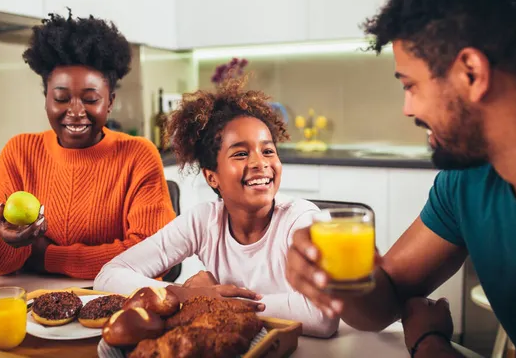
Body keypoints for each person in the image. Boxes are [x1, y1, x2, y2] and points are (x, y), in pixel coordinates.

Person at [285, 0, 516, 356]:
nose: (407, 109)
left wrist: (429, 343)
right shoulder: (468, 180)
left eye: (410, 85)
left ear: (472, 74)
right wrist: (347, 278)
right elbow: (385, 301)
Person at [94, 77, 339, 338]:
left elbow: (322, 316)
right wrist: (187, 295)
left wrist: (216, 304)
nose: (260, 163)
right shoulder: (204, 220)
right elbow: (108, 277)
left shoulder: (300, 220)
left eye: (268, 151)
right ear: (212, 177)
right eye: (241, 154)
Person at [0, 11, 176, 279]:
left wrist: (47, 256)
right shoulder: (20, 152)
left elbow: (153, 255)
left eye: (90, 99)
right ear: (46, 98)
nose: (74, 111)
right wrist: (9, 241)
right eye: (61, 98)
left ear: (110, 101)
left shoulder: (138, 155)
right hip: (34, 307)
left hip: (116, 306)